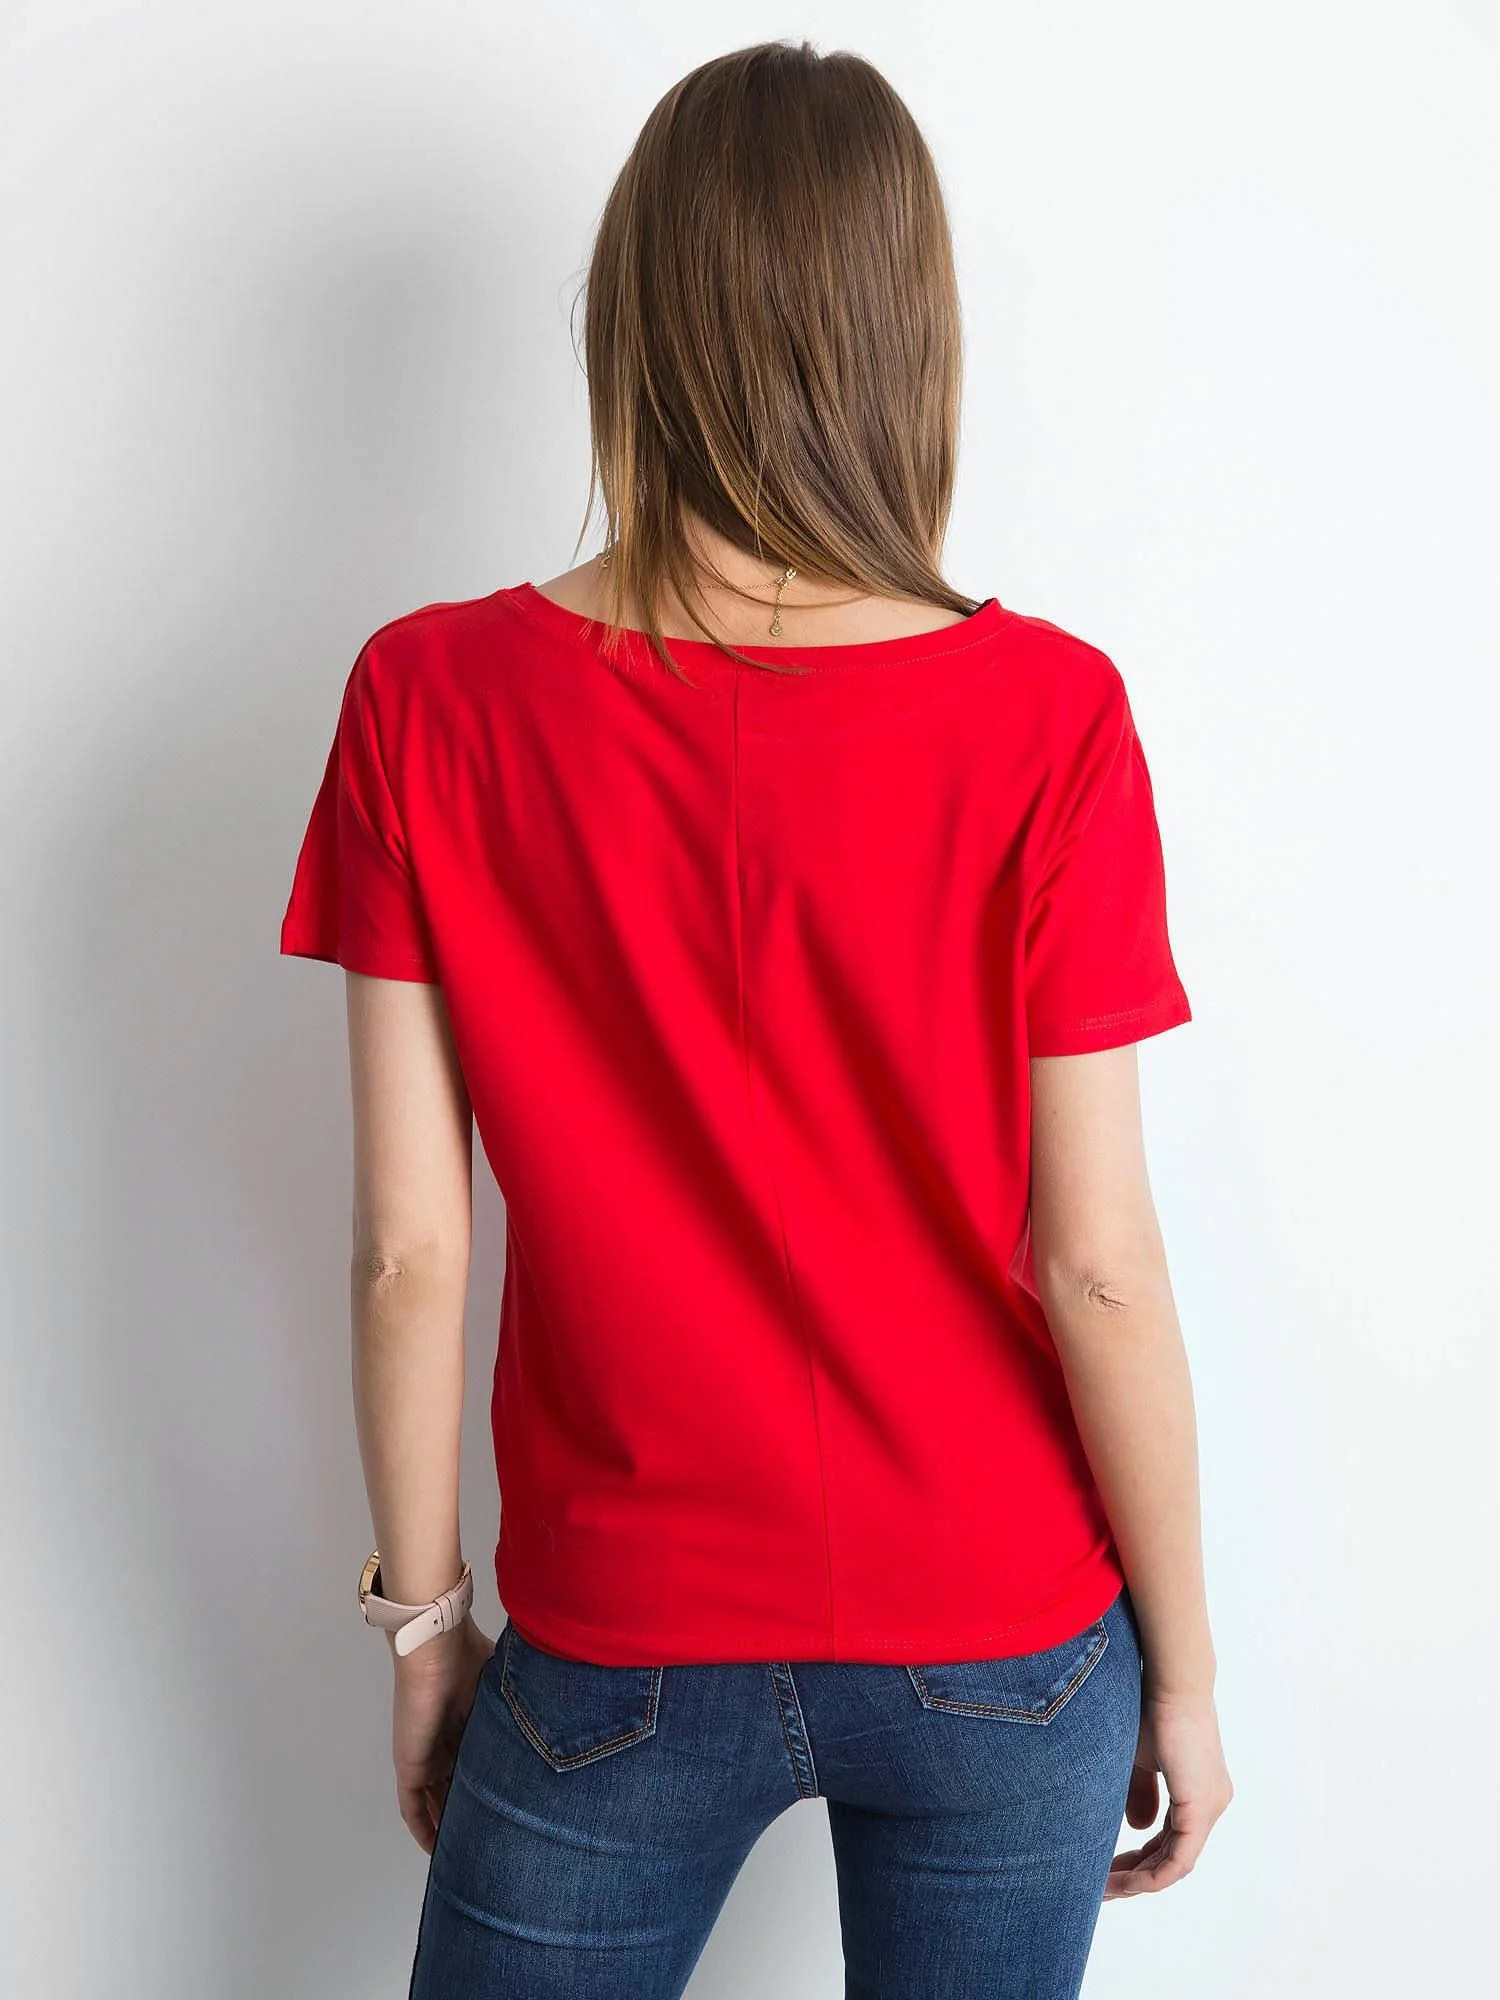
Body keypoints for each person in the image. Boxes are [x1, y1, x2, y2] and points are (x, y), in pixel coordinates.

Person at [279, 36, 1232, 2000]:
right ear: (907, 338)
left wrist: (425, 1630)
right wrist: (1192, 1676)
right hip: (1001, 1627)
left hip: (621, 1635)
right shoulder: (1048, 721)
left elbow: (406, 1248)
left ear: (633, 323)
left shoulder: (428, 703)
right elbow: (1099, 1262)